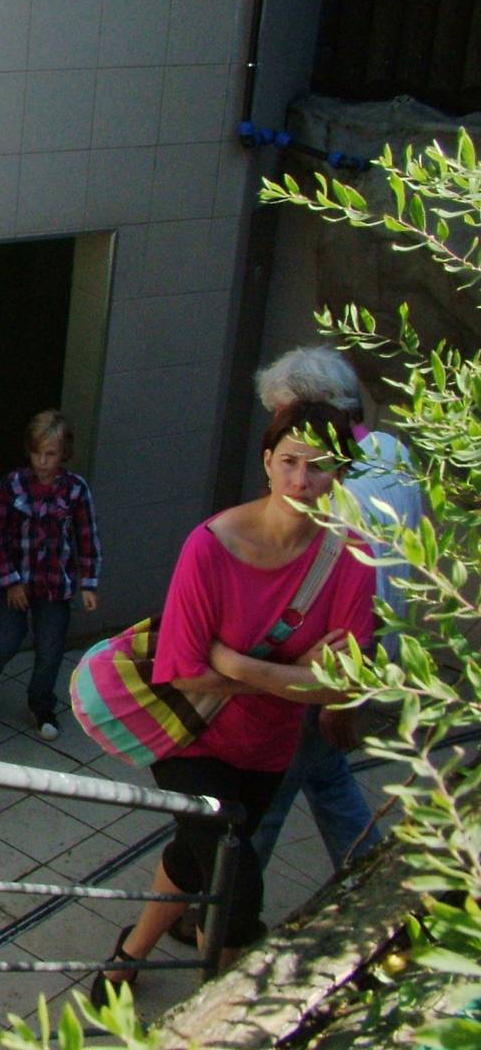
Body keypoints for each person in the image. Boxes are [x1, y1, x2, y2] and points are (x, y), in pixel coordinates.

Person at [91, 402, 376, 1003]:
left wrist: (242, 665)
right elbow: (185, 671)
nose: (302, 480)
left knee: (195, 859)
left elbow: (341, 685)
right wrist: (291, 674)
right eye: (291, 461)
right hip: (188, 734)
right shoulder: (211, 545)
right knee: (238, 889)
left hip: (266, 747)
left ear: (339, 474)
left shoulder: (351, 558)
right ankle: (221, 1006)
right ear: (267, 462)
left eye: (319, 466)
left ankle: (130, 952)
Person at [247, 346, 425, 872]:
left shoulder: (332, 493)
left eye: (284, 416)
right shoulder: (392, 451)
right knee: (327, 775)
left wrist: (336, 695)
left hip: (325, 668)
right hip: (377, 653)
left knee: (267, 803)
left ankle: (228, 915)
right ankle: (365, 875)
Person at [0, 410, 102, 741]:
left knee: (51, 649)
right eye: (37, 453)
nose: (43, 461)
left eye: (51, 454)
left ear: (63, 454)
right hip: (19, 583)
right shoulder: (11, 487)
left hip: (56, 587)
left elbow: (87, 537)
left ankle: (41, 703)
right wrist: (10, 581)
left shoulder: (75, 490)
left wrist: (89, 582)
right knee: (5, 642)